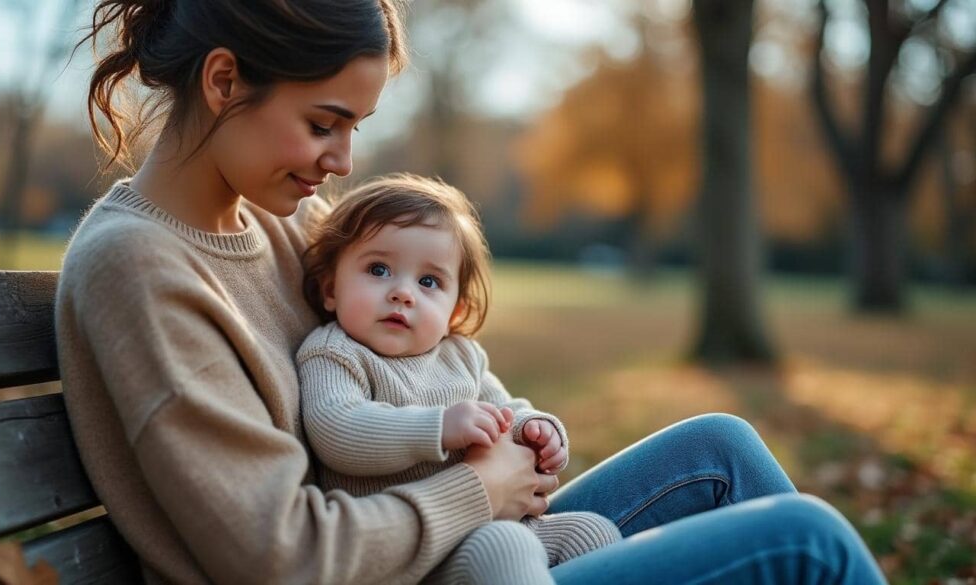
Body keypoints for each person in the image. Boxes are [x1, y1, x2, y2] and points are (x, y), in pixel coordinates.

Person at [56, 0, 890, 583]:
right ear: (223, 81)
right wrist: (483, 488)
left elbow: (429, 357)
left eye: (354, 129)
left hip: (442, 549)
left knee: (719, 450)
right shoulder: (140, 266)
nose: (343, 162)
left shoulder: (286, 222)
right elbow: (283, 557)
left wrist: (518, 434)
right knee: (806, 543)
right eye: (323, 123)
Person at [296, 174, 622, 584]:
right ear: (330, 289)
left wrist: (537, 430)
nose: (403, 293)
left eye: (428, 281)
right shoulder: (335, 352)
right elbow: (336, 429)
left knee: (591, 532)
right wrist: (437, 427)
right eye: (379, 269)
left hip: (489, 526)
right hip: (415, 557)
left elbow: (507, 411)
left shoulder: (460, 355)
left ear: (455, 312)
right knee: (507, 544)